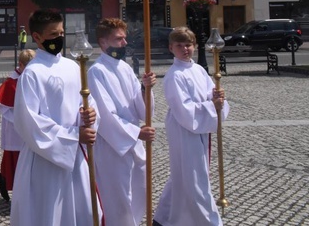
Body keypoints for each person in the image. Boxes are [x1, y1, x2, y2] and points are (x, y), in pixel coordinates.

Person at [10, 9, 102, 226]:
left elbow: (86, 101)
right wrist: (73, 135)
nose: (59, 38)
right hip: (46, 159)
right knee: (49, 215)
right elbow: (29, 121)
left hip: (76, 155)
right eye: (53, 35)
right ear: (37, 37)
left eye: (61, 33)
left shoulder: (73, 66)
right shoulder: (33, 73)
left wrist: (89, 115)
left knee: (85, 213)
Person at [154, 27, 229, 226]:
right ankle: (210, 222)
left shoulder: (198, 70)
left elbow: (209, 94)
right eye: (179, 45)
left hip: (200, 127)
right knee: (195, 178)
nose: (185, 49)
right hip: (183, 129)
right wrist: (211, 106)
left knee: (183, 174)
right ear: (171, 48)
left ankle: (163, 217)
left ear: (195, 46)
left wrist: (217, 97)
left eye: (188, 45)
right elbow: (184, 109)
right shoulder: (174, 75)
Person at [87, 18, 156, 226]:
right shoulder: (96, 71)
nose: (124, 43)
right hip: (112, 147)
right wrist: (136, 132)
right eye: (119, 39)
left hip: (134, 144)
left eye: (124, 38)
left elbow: (141, 109)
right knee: (118, 199)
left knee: (138, 192)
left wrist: (146, 89)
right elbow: (105, 115)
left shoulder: (125, 67)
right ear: (103, 42)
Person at [0, 48, 34, 202]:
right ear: (20, 65)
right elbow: (4, 107)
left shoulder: (32, 78)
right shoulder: (11, 82)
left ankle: (21, 188)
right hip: (15, 128)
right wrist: (20, 119)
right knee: (15, 159)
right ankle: (10, 185)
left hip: (30, 127)